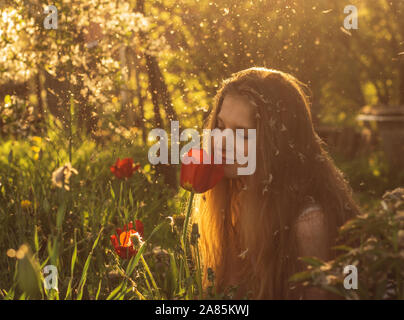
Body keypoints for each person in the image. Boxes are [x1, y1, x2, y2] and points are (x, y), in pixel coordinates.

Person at [192, 67, 361, 299]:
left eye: (241, 133)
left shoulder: (308, 223)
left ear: (277, 145)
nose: (221, 141)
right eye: (220, 126)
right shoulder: (235, 199)